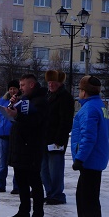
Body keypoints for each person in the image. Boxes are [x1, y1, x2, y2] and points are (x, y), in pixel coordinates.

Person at [71, 75, 109, 217]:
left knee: (88, 200)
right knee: (83, 197)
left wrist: (80, 158)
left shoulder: (89, 110)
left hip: (90, 160)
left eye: (80, 89)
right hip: (96, 158)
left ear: (84, 92)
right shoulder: (100, 106)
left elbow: (88, 137)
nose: (78, 92)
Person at [4, 73, 48, 217]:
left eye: (22, 85)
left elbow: (35, 121)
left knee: (34, 181)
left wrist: (18, 116)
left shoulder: (40, 101)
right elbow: (17, 117)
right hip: (19, 145)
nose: (19, 88)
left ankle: (38, 215)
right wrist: (12, 106)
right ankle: (24, 211)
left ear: (31, 85)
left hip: (32, 146)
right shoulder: (23, 99)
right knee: (21, 180)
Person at [41, 69, 74, 205]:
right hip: (44, 139)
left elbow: (65, 121)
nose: (51, 84)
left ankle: (57, 194)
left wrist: (59, 140)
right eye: (49, 82)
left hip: (56, 140)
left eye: (53, 82)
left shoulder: (65, 98)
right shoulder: (47, 96)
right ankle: (50, 192)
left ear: (60, 83)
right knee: (44, 169)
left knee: (55, 169)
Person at [0, 80, 19, 193]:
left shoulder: (20, 101)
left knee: (16, 162)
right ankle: (0, 185)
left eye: (14, 88)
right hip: (3, 134)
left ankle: (17, 186)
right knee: (3, 163)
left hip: (15, 135)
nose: (12, 91)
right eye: (10, 89)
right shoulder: (2, 100)